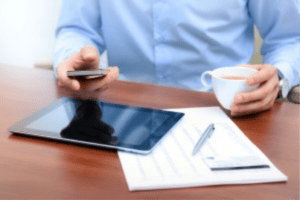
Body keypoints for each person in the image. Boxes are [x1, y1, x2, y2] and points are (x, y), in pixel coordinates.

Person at [54, 0, 299, 116]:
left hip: (226, 113)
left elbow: (290, 38)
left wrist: (277, 76)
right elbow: (76, 30)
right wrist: (75, 61)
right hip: (121, 113)